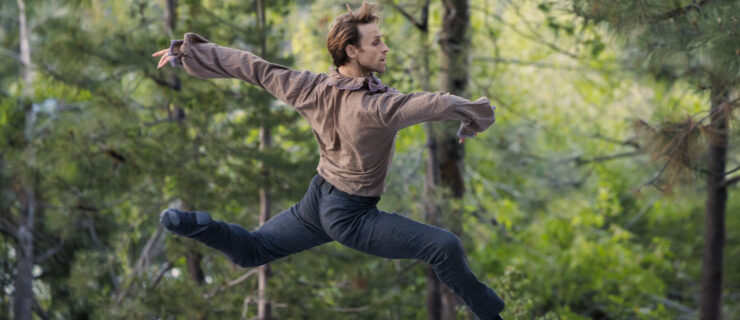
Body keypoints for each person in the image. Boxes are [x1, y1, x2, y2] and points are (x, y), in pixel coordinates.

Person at [152, 2, 503, 319]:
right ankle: (490, 313)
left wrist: (189, 53)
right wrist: (478, 114)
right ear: (352, 50)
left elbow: (254, 68)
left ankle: (194, 225)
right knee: (444, 246)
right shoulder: (378, 108)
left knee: (251, 251)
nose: (385, 48)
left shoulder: (309, 87)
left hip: (317, 200)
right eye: (376, 42)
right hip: (350, 216)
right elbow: (435, 102)